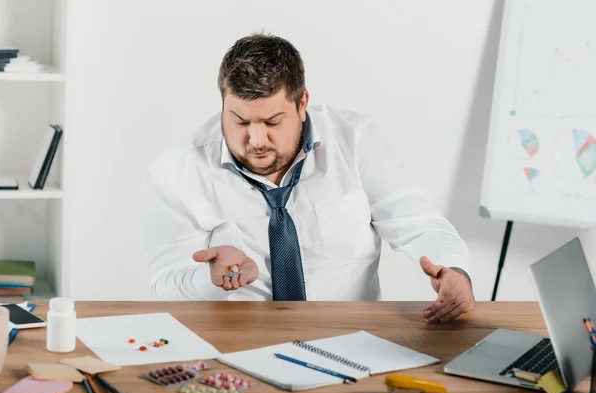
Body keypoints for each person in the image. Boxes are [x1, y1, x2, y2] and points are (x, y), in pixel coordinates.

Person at [144, 33, 474, 323]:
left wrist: (453, 269)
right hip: (237, 344)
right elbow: (164, 285)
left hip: (351, 338)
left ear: (302, 104)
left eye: (272, 122)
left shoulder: (354, 140)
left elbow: (418, 221)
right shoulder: (177, 171)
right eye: (240, 122)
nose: (256, 140)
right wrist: (210, 279)